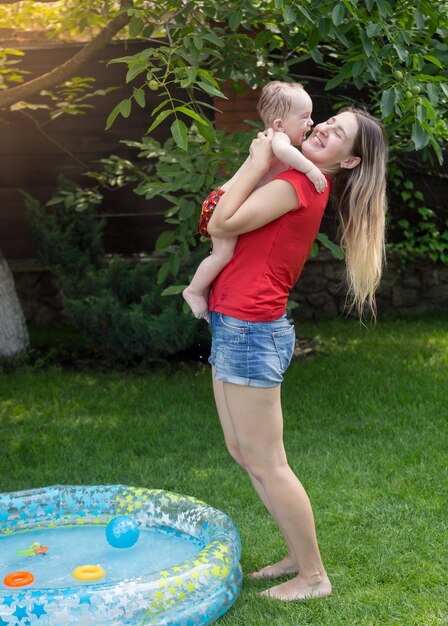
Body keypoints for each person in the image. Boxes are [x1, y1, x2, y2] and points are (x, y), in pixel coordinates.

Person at [206, 108, 388, 601]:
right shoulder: (293, 176)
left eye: (339, 134)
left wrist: (252, 160)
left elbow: (220, 220)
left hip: (251, 327)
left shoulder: (300, 185)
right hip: (234, 320)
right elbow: (219, 218)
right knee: (243, 451)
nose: (324, 128)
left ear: (349, 161)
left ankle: (313, 576)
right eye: (329, 120)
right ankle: (294, 553)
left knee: (268, 461)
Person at [183, 81, 327, 320]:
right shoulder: (277, 139)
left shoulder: (276, 140)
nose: (311, 123)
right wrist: (311, 169)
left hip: (225, 201)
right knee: (222, 255)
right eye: (305, 117)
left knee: (223, 255)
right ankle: (194, 291)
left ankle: (205, 293)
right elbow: (284, 153)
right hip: (222, 204)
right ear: (280, 123)